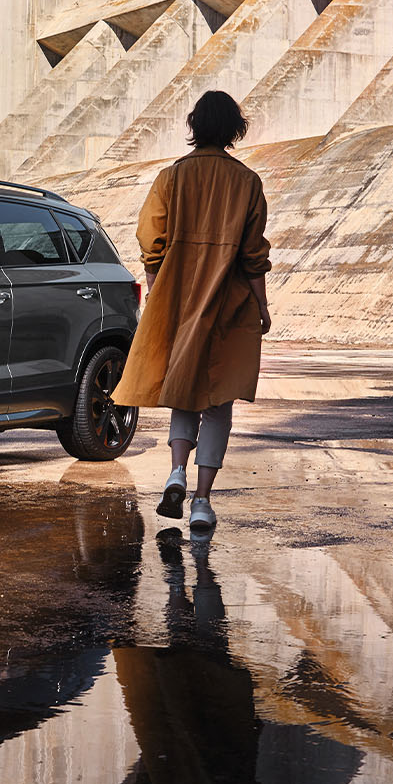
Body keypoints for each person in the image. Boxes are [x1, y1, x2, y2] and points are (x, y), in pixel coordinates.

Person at [111, 90, 271, 533]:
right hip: (229, 305)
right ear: (234, 130)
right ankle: (202, 501)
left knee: (184, 390)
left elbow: (151, 241)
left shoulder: (171, 178)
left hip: (179, 300)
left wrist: (160, 291)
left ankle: (176, 472)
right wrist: (261, 305)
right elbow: (254, 255)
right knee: (218, 400)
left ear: (194, 126)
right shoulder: (247, 182)